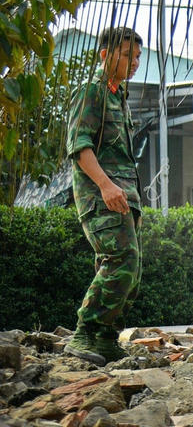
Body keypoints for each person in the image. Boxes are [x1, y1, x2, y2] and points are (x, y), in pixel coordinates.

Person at [63, 27, 145, 366]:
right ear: (104, 55)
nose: (134, 63)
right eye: (127, 55)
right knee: (121, 259)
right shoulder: (91, 92)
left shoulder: (118, 97)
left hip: (124, 197)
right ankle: (85, 331)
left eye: (138, 57)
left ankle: (105, 337)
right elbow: (79, 146)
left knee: (131, 268)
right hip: (101, 196)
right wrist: (106, 185)